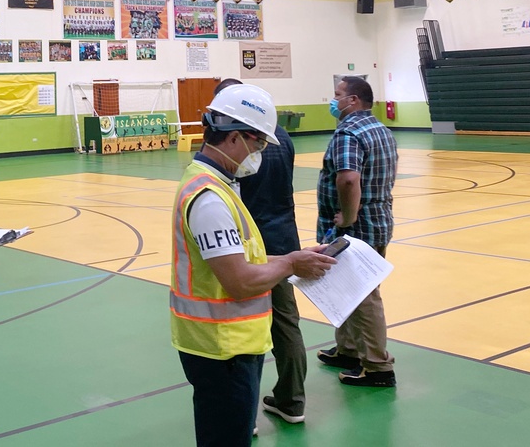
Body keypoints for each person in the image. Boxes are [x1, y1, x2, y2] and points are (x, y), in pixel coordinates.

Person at [171, 83, 336, 447]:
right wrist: (291, 260)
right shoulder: (211, 199)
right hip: (223, 348)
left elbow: (242, 258)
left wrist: (296, 260)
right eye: (259, 143)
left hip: (225, 346)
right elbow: (241, 281)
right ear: (235, 138)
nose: (260, 152)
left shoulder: (216, 183)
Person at [212, 78, 307, 425]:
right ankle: (292, 400)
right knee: (286, 324)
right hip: (284, 237)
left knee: (241, 328)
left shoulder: (236, 147)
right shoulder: (282, 137)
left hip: (248, 243)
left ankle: (244, 415)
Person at [315, 76, 398, 387]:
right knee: (348, 289)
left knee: (364, 295)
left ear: (353, 100)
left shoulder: (348, 132)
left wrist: (347, 219)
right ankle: (349, 350)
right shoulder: (381, 130)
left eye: (337, 95)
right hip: (379, 220)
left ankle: (378, 367)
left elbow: (349, 179)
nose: (333, 101)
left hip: (356, 227)